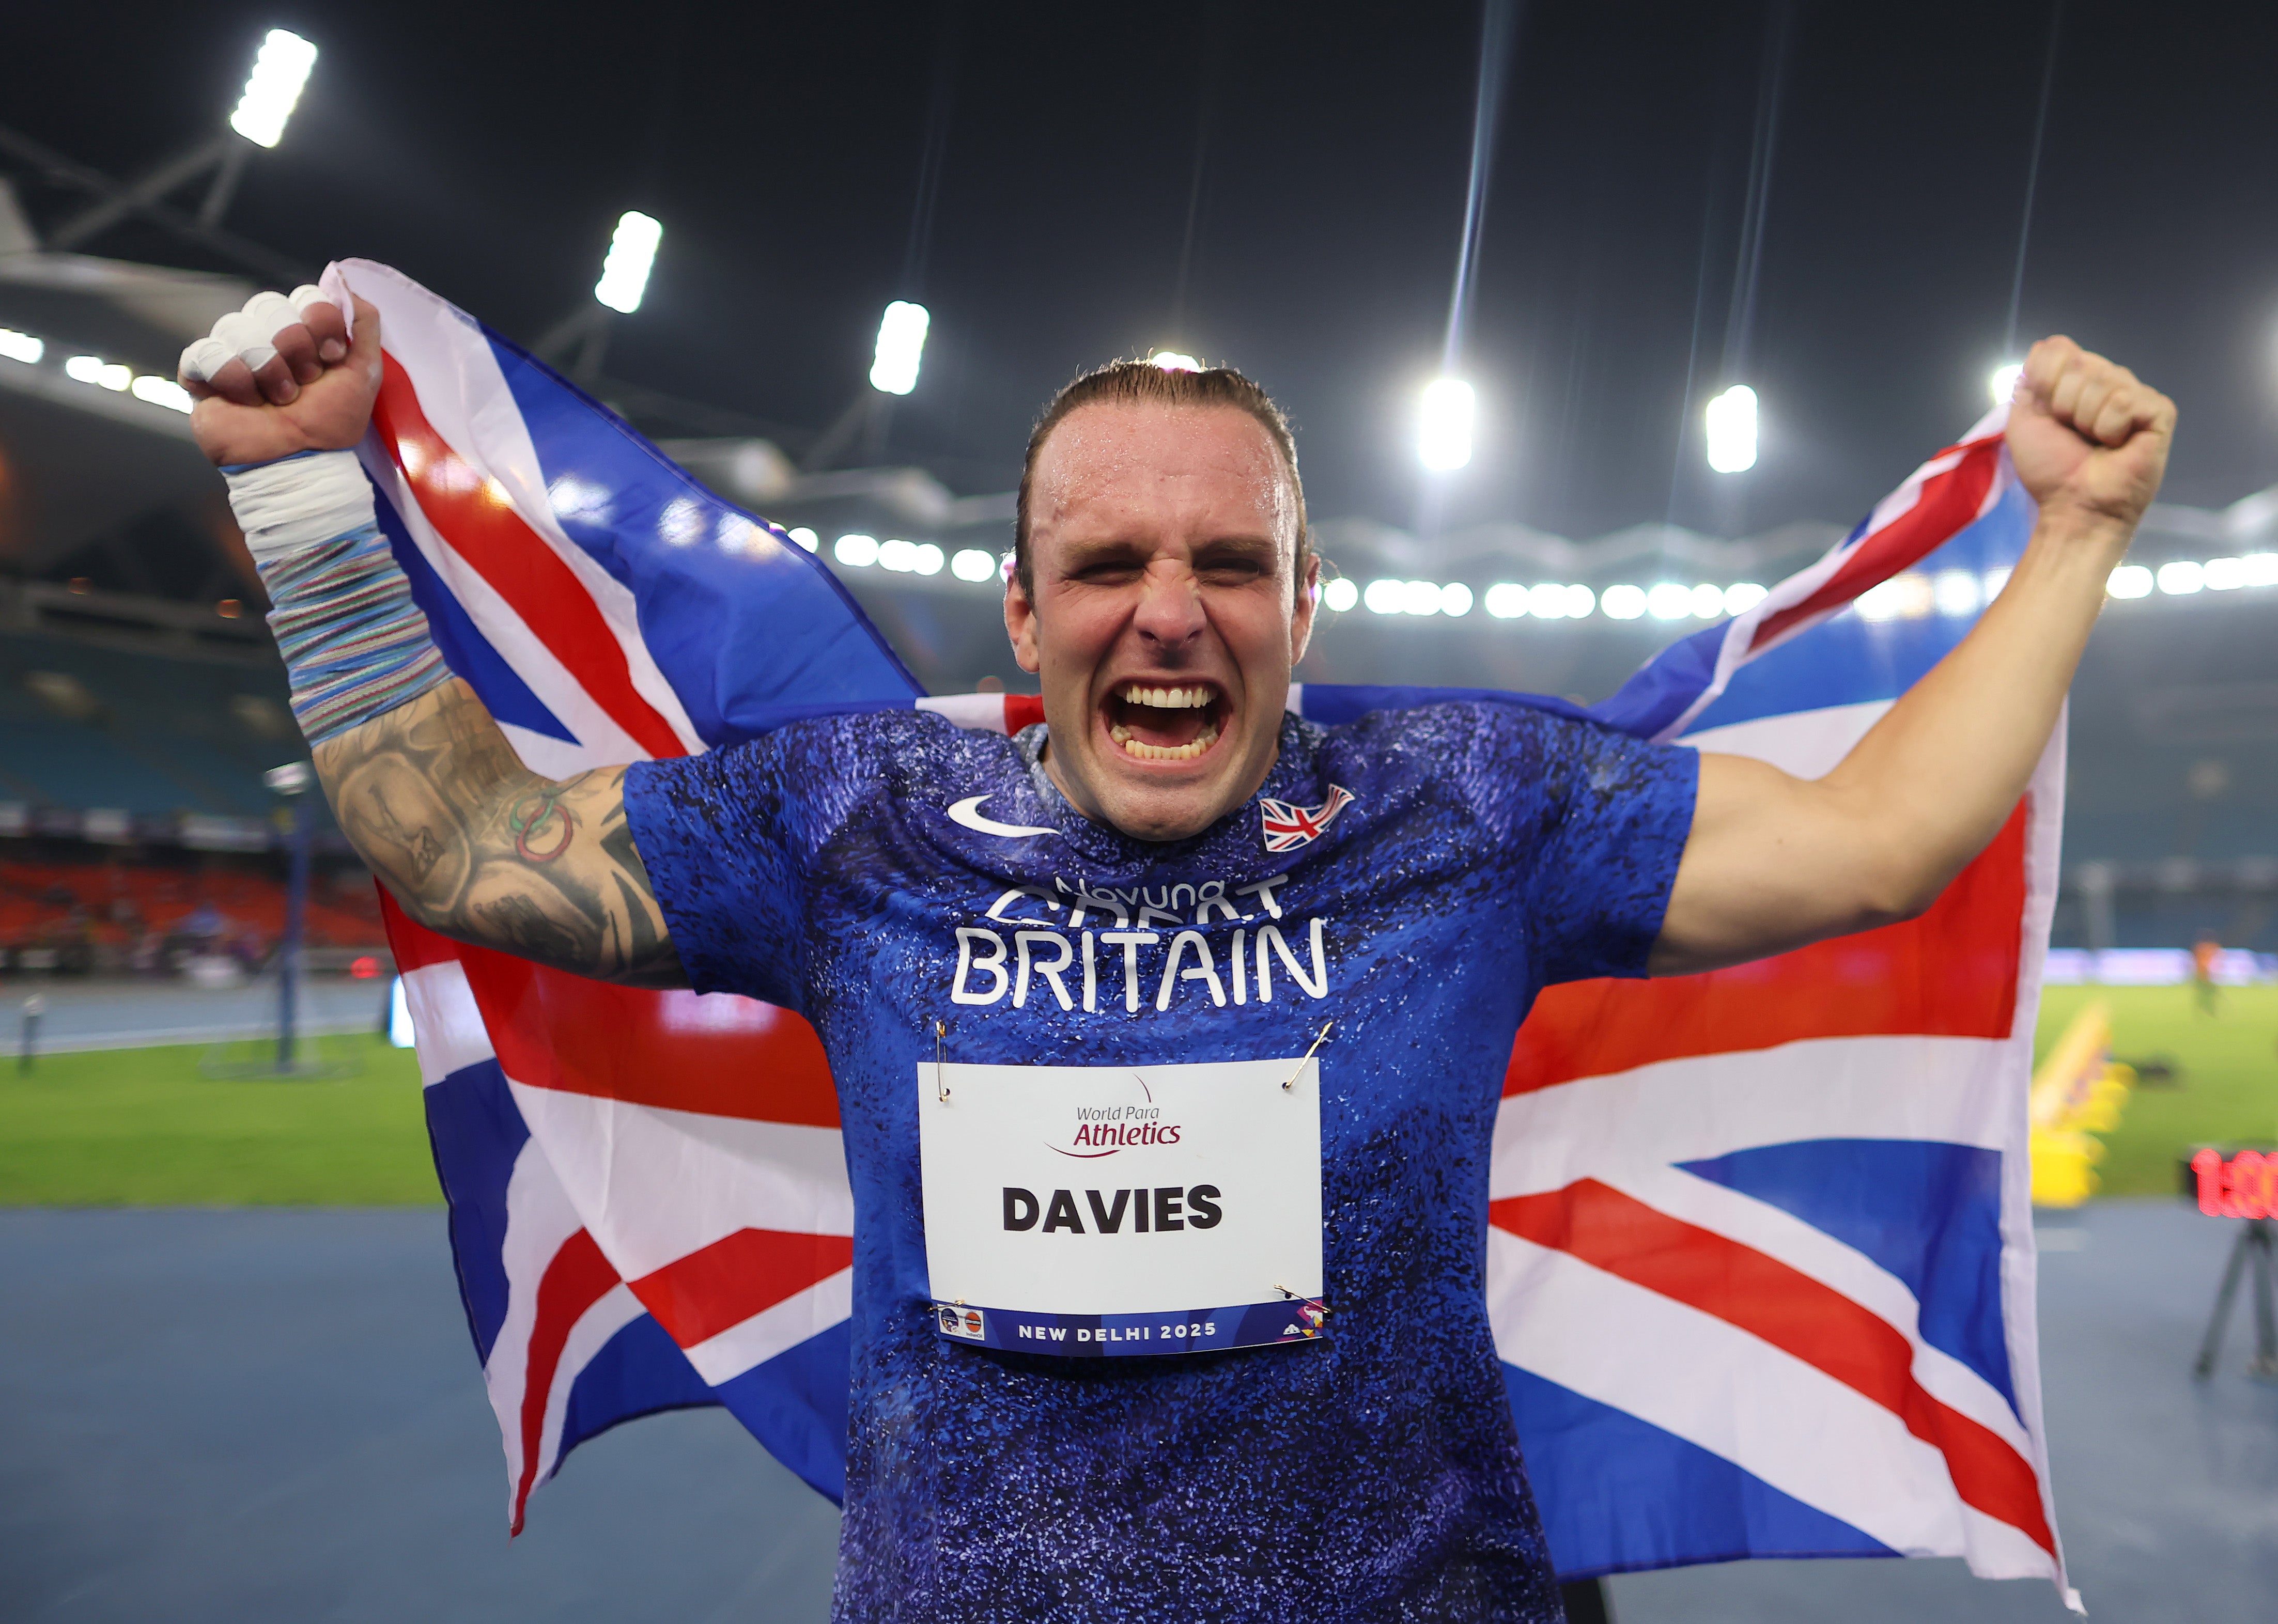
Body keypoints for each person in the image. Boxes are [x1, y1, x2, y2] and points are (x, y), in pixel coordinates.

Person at [179, 287, 2172, 1621]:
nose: (1168, 612)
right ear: (1025, 619)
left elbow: (1877, 842)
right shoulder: (847, 826)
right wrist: (297, 493)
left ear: (1307, 603)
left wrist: (2074, 530)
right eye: (1106, 567)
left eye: (1228, 564)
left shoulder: (1468, 806)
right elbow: (473, 847)